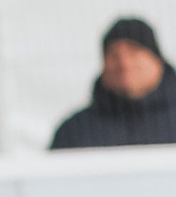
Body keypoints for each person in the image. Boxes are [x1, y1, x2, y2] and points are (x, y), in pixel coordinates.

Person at [49, 14, 176, 149]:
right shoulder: (73, 131)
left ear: (156, 59)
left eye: (133, 52)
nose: (124, 63)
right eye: (114, 55)